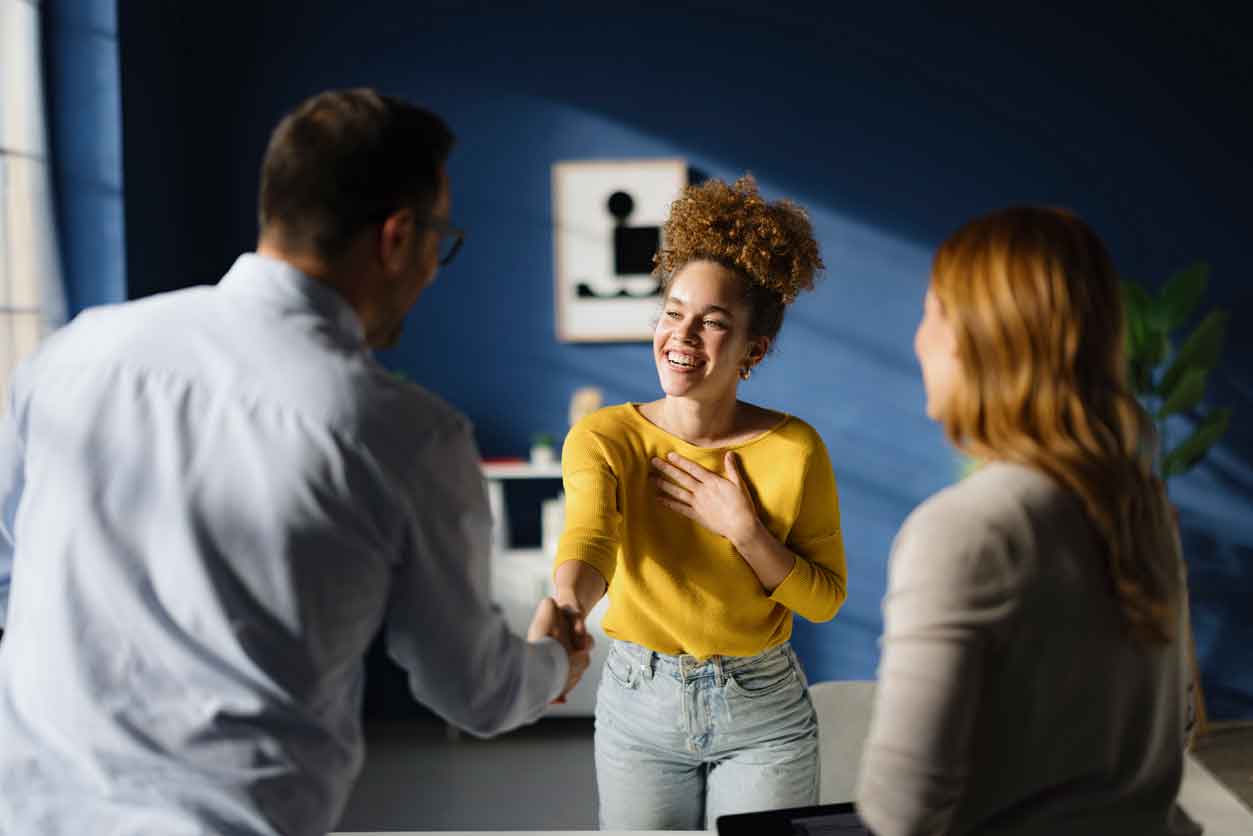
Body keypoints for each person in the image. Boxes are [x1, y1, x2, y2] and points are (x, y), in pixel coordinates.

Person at [0, 88, 590, 836]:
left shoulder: (75, 351)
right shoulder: (404, 432)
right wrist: (552, 664)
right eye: (439, 241)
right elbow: (472, 691)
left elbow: (12, 567)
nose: (434, 269)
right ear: (397, 237)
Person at [855, 206, 1200, 835]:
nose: (919, 339)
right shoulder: (1142, 503)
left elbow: (898, 811)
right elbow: (1173, 730)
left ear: (979, 338)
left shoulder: (967, 529)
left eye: (931, 312)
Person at [553, 176, 849, 830]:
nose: (681, 335)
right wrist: (565, 606)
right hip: (638, 708)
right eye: (672, 311)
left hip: (763, 714)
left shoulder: (794, 449)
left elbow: (824, 599)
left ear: (753, 349)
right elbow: (590, 540)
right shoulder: (606, 437)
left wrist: (745, 532)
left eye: (712, 323)